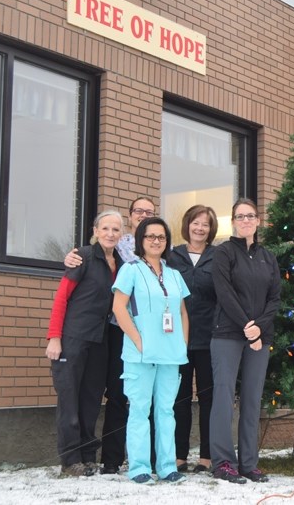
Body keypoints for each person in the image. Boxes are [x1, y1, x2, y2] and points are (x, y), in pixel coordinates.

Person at [63, 196, 156, 474]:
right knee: (116, 393)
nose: (143, 215)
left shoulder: (161, 246)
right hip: (115, 329)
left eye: (149, 211)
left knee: (144, 394)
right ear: (130, 216)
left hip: (151, 331)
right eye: (139, 210)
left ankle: (147, 456)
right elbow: (89, 264)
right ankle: (111, 459)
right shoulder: (118, 247)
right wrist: (71, 256)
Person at [112, 217, 190, 484]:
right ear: (140, 240)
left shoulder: (175, 274)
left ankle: (167, 467)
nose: (156, 241)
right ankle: (139, 468)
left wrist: (182, 344)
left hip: (170, 355)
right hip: (140, 354)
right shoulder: (130, 270)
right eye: (150, 236)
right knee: (139, 410)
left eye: (161, 237)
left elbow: (181, 312)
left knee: (166, 411)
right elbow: (118, 308)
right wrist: (138, 341)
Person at [45, 210, 124, 477]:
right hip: (73, 339)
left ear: (121, 234)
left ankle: (88, 456)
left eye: (115, 230)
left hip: (100, 341)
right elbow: (61, 298)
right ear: (96, 230)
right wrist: (54, 337)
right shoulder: (83, 257)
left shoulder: (121, 263)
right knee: (69, 401)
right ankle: (70, 461)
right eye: (106, 229)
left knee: (90, 401)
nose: (110, 234)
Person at [209, 198, 281, 484]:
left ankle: (249, 463)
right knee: (224, 398)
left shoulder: (268, 257)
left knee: (252, 399)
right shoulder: (224, 253)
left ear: (258, 221)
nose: (246, 220)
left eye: (250, 216)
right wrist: (246, 325)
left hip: (259, 339)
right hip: (227, 333)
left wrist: (259, 329)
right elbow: (224, 292)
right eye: (240, 216)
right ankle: (223, 462)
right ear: (233, 222)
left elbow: (274, 298)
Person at [167, 205, 218, 474]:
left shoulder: (218, 257)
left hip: (210, 340)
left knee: (209, 398)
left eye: (205, 224)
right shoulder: (173, 256)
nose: (200, 228)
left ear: (211, 230)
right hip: (179, 339)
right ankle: (179, 455)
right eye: (196, 223)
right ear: (187, 225)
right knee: (180, 399)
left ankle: (207, 457)